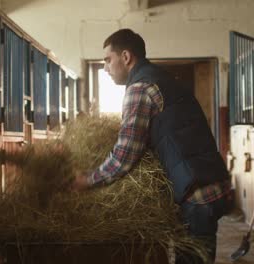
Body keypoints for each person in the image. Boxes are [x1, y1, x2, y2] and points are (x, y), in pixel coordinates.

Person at [72, 28, 233, 264]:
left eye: (108, 59)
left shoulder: (140, 88)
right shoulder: (162, 79)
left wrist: (88, 180)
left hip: (198, 193)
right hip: (207, 184)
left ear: (126, 57)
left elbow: (124, 156)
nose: (105, 68)